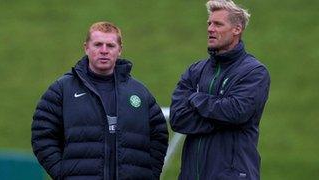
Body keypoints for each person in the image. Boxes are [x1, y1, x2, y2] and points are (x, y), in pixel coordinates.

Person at [31, 21, 168, 180]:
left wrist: (148, 175)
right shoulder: (62, 90)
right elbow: (42, 134)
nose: (104, 51)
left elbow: (159, 136)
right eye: (97, 44)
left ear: (120, 50)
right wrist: (63, 173)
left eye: (110, 45)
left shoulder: (140, 93)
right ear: (86, 48)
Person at [170, 0, 270, 179]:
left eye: (218, 24)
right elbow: (178, 119)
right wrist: (220, 118)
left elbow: (235, 112)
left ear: (237, 29)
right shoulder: (195, 70)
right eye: (209, 23)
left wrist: (196, 99)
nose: (210, 29)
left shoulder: (254, 72)